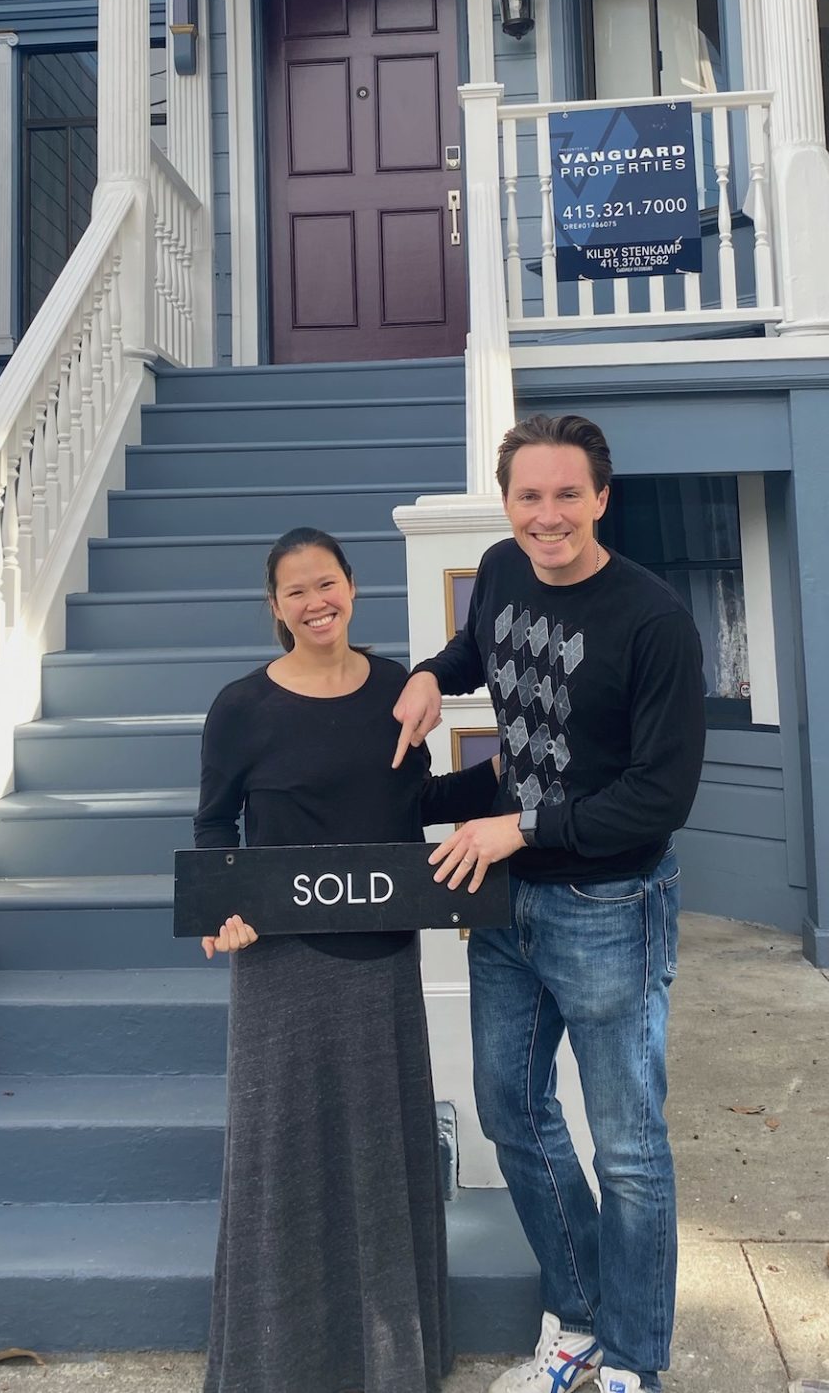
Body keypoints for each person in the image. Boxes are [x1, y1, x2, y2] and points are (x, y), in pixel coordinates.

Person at [392, 415, 706, 1393]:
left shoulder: (652, 619)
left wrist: (518, 828)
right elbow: (474, 649)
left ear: (600, 498)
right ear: (506, 503)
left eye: (568, 493)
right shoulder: (500, 568)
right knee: (511, 1112)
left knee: (629, 1151)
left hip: (609, 903)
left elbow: (660, 795)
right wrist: (427, 675)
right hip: (508, 904)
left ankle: (634, 1361)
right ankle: (577, 1320)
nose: (548, 514)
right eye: (528, 495)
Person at [194, 526, 501, 1393]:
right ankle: (276, 1358)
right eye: (295, 590)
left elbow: (409, 803)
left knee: (378, 1150)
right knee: (283, 1154)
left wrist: (502, 773)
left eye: (325, 583)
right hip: (279, 966)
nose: (314, 601)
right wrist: (223, 909)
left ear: (352, 588)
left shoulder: (398, 690)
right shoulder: (240, 707)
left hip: (381, 959)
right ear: (274, 606)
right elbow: (214, 825)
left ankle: (388, 1359)